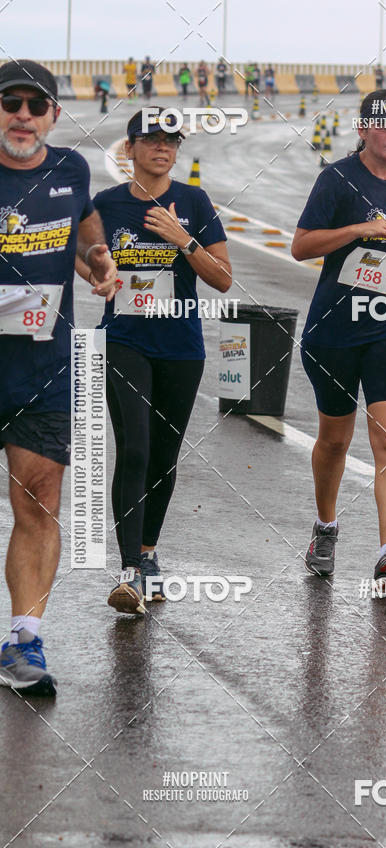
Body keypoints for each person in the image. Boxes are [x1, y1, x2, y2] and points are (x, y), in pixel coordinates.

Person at [76, 109, 232, 614]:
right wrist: (96, 276)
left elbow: (223, 279)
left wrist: (182, 239)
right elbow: (76, 253)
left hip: (182, 348)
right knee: (136, 449)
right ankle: (128, 572)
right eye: (152, 140)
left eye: (171, 141)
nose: (162, 148)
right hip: (125, 341)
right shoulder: (107, 204)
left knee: (163, 460)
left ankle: (147, 556)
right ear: (131, 148)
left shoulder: (192, 202)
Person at [291, 90, 386, 585]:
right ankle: (325, 525)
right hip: (334, 329)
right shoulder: (337, 179)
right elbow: (301, 246)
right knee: (335, 440)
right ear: (363, 128)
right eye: (385, 124)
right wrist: (359, 230)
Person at [0, 60, 117, 695]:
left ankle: (23, 642)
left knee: (40, 503)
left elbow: (86, 224)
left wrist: (98, 260)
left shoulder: (70, 169)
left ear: (53, 115)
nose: (22, 114)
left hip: (42, 368)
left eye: (35, 105)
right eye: (10, 103)